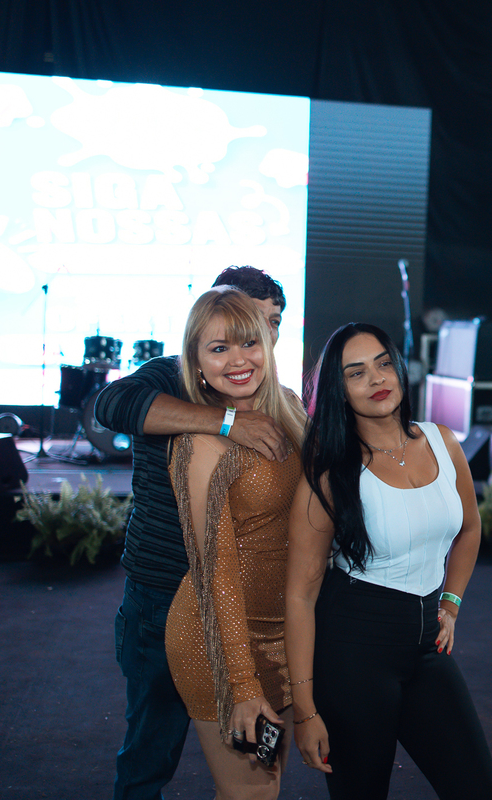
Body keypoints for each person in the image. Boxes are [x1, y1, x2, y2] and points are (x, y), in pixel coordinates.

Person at [94, 266, 306, 800]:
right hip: (167, 593)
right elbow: (110, 405)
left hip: (263, 617)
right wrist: (225, 422)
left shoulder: (283, 401)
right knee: (153, 748)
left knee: (259, 775)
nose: (249, 346)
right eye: (232, 332)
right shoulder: (170, 379)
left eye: (268, 326)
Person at [284, 323, 492, 800]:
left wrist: (451, 603)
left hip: (426, 646)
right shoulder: (332, 471)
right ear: (340, 390)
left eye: (384, 363)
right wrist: (304, 709)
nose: (377, 379)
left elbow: (469, 529)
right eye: (356, 372)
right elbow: (300, 595)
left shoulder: (442, 441)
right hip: (353, 648)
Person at [165, 287, 305, 798]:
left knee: (261, 787)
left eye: (248, 342)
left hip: (284, 633)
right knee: (254, 793)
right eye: (218, 348)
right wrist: (241, 684)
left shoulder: (291, 409)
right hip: (220, 642)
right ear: (197, 362)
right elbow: (215, 571)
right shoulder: (199, 444)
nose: (238, 360)